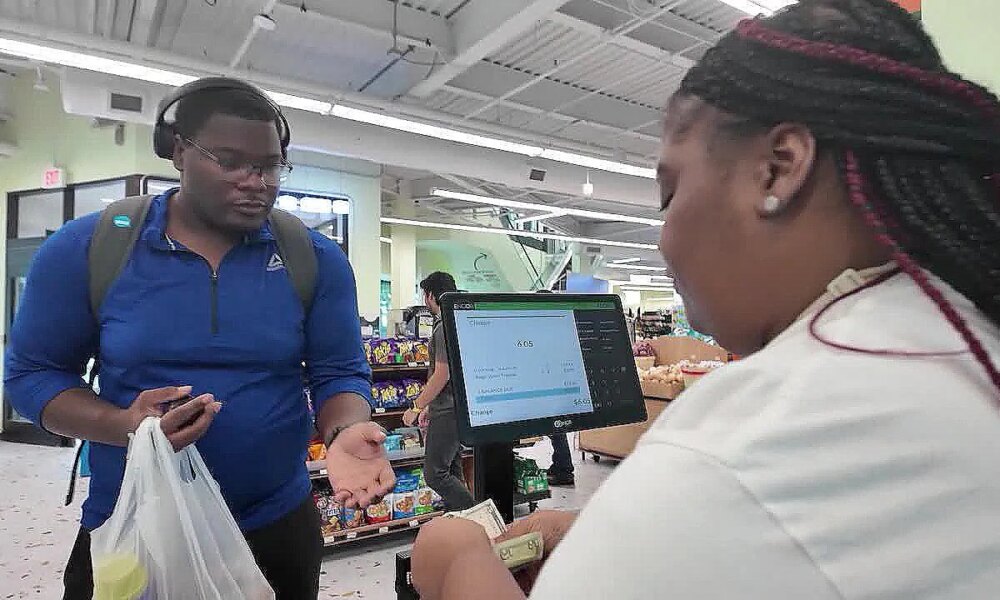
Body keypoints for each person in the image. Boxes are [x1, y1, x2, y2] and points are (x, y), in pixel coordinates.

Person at [409, 0, 1000, 598]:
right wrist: (622, 538)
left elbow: (752, 496)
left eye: (670, 194)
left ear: (778, 168)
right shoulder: (959, 340)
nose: (664, 240)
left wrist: (458, 563)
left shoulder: (753, 433)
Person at [4, 77, 394, 600]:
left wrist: (347, 428)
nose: (257, 181)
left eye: (271, 165)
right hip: (135, 523)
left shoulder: (312, 257)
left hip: (275, 526)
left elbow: (339, 371)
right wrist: (121, 424)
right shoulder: (90, 247)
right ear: (179, 151)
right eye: (231, 161)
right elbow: (32, 375)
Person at [403, 272, 476, 511]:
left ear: (430, 295)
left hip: (448, 409)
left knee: (435, 474)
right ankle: (459, 523)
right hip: (457, 407)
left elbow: (441, 374)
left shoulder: (443, 326)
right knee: (451, 470)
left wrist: (417, 406)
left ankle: (478, 515)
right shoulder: (459, 320)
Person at [533, 289, 574, 486]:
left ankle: (564, 470)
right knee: (557, 431)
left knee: (557, 431)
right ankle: (560, 466)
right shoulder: (558, 324)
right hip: (558, 386)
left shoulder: (547, 328)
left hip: (552, 388)